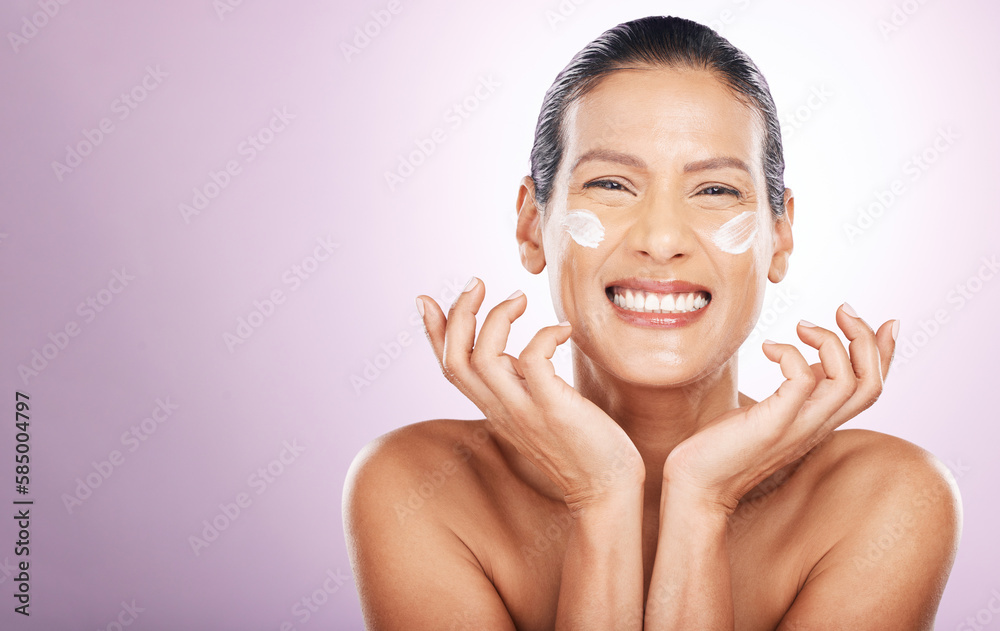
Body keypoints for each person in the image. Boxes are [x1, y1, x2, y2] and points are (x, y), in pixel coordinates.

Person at [343, 15, 961, 630]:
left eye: (715, 191)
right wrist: (602, 496)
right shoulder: (418, 488)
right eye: (611, 184)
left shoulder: (887, 497)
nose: (662, 240)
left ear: (779, 237)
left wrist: (702, 499)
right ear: (532, 225)